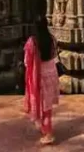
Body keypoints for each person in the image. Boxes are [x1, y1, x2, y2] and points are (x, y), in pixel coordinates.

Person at [23, 16, 61, 145]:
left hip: (39, 75)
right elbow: (55, 56)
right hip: (52, 73)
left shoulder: (32, 42)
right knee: (47, 106)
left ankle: (48, 133)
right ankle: (45, 127)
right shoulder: (52, 39)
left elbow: (26, 62)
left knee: (41, 105)